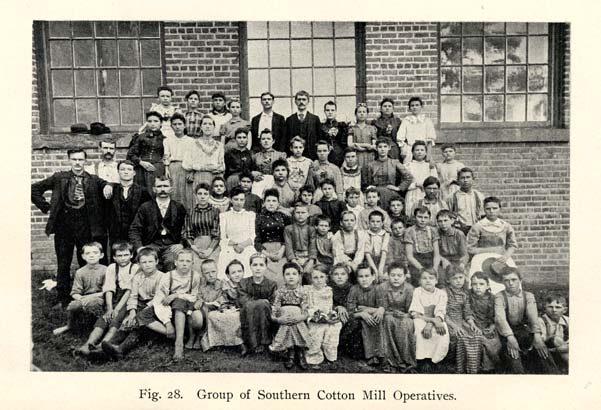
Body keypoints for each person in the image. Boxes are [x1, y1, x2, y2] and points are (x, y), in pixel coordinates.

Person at [31, 148, 112, 307]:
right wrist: (46, 207)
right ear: (69, 160)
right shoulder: (59, 177)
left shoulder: (93, 179)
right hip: (64, 225)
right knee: (63, 262)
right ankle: (63, 298)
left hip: (85, 226)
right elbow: (34, 188)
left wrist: (108, 185)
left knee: (86, 261)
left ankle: (86, 296)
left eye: (80, 160)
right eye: (74, 159)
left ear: (85, 161)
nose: (77, 163)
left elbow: (107, 185)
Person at [101, 248, 165, 360]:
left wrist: (136, 315)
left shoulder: (162, 277)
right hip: (140, 304)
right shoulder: (138, 276)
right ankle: (109, 346)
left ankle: (121, 349)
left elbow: (158, 299)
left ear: (157, 262)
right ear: (139, 264)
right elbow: (133, 296)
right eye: (144, 262)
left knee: (138, 324)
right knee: (128, 320)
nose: (147, 265)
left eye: (150, 262)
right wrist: (132, 312)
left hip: (156, 308)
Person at [75, 241, 138, 356]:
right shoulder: (112, 268)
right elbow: (109, 288)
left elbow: (129, 291)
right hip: (114, 297)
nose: (123, 258)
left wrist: (117, 309)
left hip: (127, 299)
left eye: (126, 255)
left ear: (131, 255)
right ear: (114, 257)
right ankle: (87, 345)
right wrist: (109, 308)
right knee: (104, 318)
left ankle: (101, 346)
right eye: (119, 256)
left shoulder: (135, 268)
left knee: (116, 319)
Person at [494, 268, 559, 374]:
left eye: (514, 280)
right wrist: (510, 337)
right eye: (506, 280)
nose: (510, 283)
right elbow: (500, 318)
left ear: (520, 280)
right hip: (505, 332)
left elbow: (532, 315)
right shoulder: (499, 296)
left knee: (541, 349)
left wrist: (537, 335)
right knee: (513, 355)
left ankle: (554, 375)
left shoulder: (528, 296)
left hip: (522, 330)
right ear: (502, 282)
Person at [152, 248, 203, 360]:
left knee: (194, 316)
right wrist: (167, 321)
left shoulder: (195, 276)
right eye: (181, 261)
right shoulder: (167, 277)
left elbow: (194, 297)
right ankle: (176, 338)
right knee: (144, 315)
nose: (184, 264)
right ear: (175, 262)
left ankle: (185, 340)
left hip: (187, 306)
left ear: (192, 263)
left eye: (188, 261)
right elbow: (160, 299)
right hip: (168, 308)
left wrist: (176, 295)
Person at [128, 176, 187, 272]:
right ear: (154, 189)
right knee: (148, 262)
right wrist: (140, 248)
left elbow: (186, 228)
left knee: (172, 262)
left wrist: (181, 244)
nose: (162, 189)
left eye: (165, 186)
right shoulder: (145, 207)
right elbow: (134, 229)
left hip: (171, 246)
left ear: (171, 189)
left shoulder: (179, 207)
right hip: (151, 244)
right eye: (159, 186)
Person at [52, 242, 107, 335]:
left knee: (95, 305)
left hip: (101, 298)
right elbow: (75, 292)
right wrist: (81, 298)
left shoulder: (106, 270)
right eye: (88, 253)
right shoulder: (80, 272)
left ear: (101, 255)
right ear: (83, 256)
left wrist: (89, 298)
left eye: (95, 253)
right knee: (73, 305)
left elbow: (107, 291)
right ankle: (69, 326)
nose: (91, 256)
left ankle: (98, 328)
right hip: (84, 299)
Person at [467, 197, 518, 287]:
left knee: (508, 281)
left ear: (499, 209)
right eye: (488, 209)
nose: (491, 211)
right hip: (481, 259)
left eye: (495, 208)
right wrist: (492, 250)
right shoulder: (478, 227)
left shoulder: (506, 226)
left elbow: (512, 245)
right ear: (484, 210)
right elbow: (470, 248)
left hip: (501, 259)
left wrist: (506, 256)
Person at [269, 262, 311, 370]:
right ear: (283, 277)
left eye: (294, 274)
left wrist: (299, 317)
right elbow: (275, 309)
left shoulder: (303, 292)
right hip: (284, 318)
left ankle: (298, 351)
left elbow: (306, 311)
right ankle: (292, 351)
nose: (291, 276)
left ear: (299, 276)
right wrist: (279, 319)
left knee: (295, 311)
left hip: (298, 319)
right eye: (287, 274)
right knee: (287, 311)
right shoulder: (280, 292)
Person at [444, 265, 483, 374]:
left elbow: (467, 311)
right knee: (459, 336)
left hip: (461, 321)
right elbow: (442, 313)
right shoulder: (444, 293)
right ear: (448, 280)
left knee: (475, 335)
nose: (458, 281)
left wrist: (472, 324)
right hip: (448, 321)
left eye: (460, 278)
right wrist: (454, 326)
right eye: (455, 278)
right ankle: (457, 365)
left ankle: (472, 366)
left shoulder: (464, 294)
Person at [200, 259, 245, 353]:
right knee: (215, 316)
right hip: (227, 308)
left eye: (239, 271)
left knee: (235, 318)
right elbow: (222, 298)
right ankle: (219, 342)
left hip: (241, 308)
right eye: (233, 272)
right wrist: (220, 304)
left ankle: (240, 343)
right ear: (228, 275)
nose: (237, 274)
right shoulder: (226, 284)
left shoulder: (247, 284)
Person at [182, 115, 225, 212]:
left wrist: (213, 168)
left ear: (214, 127)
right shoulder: (193, 144)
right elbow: (186, 163)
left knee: (214, 205)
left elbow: (222, 165)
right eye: (205, 124)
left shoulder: (219, 145)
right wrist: (202, 167)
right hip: (198, 177)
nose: (207, 126)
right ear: (201, 127)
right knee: (199, 203)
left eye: (210, 124)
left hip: (214, 177)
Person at [379, 262, 416, 373]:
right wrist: (390, 313)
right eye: (393, 275)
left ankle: (406, 360)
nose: (396, 278)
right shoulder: (383, 287)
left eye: (399, 276)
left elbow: (411, 308)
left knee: (406, 324)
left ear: (405, 277)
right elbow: (383, 307)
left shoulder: (409, 289)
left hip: (405, 315)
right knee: (388, 321)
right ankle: (391, 361)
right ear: (388, 276)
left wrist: (406, 315)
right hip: (389, 315)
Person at [409, 269, 449, 372]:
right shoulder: (417, 291)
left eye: (431, 278)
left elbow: (440, 311)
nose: (428, 281)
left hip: (436, 319)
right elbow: (415, 313)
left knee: (442, 330)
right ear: (419, 281)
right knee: (419, 327)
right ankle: (422, 360)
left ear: (436, 280)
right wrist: (431, 321)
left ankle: (435, 360)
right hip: (421, 318)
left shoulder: (441, 293)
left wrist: (432, 323)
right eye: (424, 278)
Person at [238, 253, 278, 354]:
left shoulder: (271, 284)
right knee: (254, 306)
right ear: (250, 266)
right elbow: (243, 300)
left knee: (263, 306)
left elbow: (273, 302)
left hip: (265, 313)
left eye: (261, 265)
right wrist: (261, 302)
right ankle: (252, 343)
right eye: (255, 265)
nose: (258, 268)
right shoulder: (243, 283)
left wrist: (263, 303)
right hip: (248, 311)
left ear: (265, 267)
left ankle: (264, 341)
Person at [347, 264, 386, 367]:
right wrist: (362, 313)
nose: (364, 279)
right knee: (360, 325)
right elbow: (350, 310)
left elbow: (382, 306)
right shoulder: (354, 290)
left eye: (367, 276)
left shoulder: (378, 289)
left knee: (378, 320)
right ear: (357, 278)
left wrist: (380, 309)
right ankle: (369, 355)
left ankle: (378, 354)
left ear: (373, 277)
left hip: (373, 318)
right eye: (361, 276)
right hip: (360, 318)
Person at [304, 266, 342, 370]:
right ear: (311, 279)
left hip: (327, 317)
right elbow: (308, 307)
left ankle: (331, 357)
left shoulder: (328, 290)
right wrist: (318, 316)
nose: (319, 280)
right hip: (314, 318)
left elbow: (329, 306)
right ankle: (314, 357)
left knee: (333, 329)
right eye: (315, 277)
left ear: (326, 278)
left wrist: (331, 315)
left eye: (321, 277)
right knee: (317, 331)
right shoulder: (309, 291)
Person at [362, 138, 413, 210]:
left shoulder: (395, 162)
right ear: (376, 148)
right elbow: (366, 183)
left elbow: (409, 177)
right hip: (375, 195)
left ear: (389, 148)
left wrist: (398, 188)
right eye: (380, 147)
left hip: (391, 193)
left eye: (385, 146)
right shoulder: (371, 165)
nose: (382, 149)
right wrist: (370, 187)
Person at [217, 187, 257, 279]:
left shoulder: (250, 215)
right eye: (236, 199)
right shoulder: (224, 216)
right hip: (230, 246)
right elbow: (223, 237)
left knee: (251, 259)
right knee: (225, 257)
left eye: (241, 200)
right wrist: (235, 245)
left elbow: (252, 236)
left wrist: (242, 245)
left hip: (247, 246)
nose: (239, 202)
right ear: (231, 200)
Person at [254, 188, 292, 286]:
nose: (271, 203)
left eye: (274, 201)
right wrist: (268, 255)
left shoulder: (285, 217)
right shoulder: (259, 218)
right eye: (268, 201)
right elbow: (257, 241)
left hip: (282, 251)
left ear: (278, 203)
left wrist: (281, 252)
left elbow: (288, 237)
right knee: (266, 276)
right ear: (264, 203)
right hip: (265, 252)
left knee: (285, 275)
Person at [182, 183, 221, 273]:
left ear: (209, 196)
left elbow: (217, 234)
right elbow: (187, 233)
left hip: (212, 245)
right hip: (195, 245)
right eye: (200, 194)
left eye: (205, 194)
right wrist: (196, 249)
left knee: (213, 268)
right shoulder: (190, 212)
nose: (202, 197)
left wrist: (209, 250)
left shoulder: (215, 211)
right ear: (195, 195)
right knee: (195, 269)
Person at [468, 271, 502, 373]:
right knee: (481, 341)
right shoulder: (468, 296)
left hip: (488, 325)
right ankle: (481, 367)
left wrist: (492, 325)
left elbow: (494, 315)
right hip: (472, 325)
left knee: (495, 342)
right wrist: (472, 324)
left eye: (481, 284)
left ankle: (491, 367)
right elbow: (466, 312)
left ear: (487, 286)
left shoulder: (492, 298)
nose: (478, 287)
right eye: (474, 284)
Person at [127, 111, 167, 193]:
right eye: (150, 121)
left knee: (156, 192)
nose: (152, 124)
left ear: (161, 123)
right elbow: (130, 155)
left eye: (156, 121)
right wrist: (141, 162)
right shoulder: (140, 137)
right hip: (141, 170)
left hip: (157, 169)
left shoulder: (165, 139)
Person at [329, 263, 362, 358]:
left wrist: (346, 309)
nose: (339, 277)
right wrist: (337, 307)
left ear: (347, 276)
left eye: (343, 274)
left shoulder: (352, 288)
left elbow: (353, 303)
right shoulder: (329, 288)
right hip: (334, 312)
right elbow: (326, 303)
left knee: (353, 322)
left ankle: (344, 347)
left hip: (349, 312)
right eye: (336, 274)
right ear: (331, 277)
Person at [404, 206, 441, 286]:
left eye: (425, 217)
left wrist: (435, 268)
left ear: (429, 218)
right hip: (416, 262)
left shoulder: (433, 230)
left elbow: (436, 254)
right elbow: (409, 256)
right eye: (420, 217)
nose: (422, 220)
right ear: (414, 218)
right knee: (418, 281)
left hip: (431, 260)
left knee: (439, 279)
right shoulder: (409, 231)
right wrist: (421, 269)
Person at [195, 259, 225, 351]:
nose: (211, 275)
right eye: (207, 273)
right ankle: (200, 337)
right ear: (203, 274)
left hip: (217, 308)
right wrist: (199, 300)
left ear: (217, 270)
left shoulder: (221, 284)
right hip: (204, 310)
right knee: (201, 311)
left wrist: (218, 302)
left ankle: (209, 339)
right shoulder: (201, 285)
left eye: (213, 271)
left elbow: (223, 297)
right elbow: (199, 296)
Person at [445, 167, 485, 236]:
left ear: (473, 179)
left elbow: (483, 215)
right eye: (462, 178)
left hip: (475, 230)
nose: (465, 180)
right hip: (458, 231)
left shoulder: (479, 196)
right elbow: (447, 216)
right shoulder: (451, 197)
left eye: (468, 177)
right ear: (458, 180)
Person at [284, 202, 318, 282]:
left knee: (312, 278)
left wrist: (311, 261)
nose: (300, 215)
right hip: (294, 258)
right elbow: (288, 246)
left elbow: (313, 246)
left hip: (308, 257)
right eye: (298, 212)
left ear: (308, 214)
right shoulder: (288, 229)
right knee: (294, 277)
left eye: (303, 213)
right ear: (294, 214)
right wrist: (294, 261)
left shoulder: (311, 229)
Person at [396, 97, 437, 163]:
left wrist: (428, 155)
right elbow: (400, 138)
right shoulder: (406, 121)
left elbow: (430, 140)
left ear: (421, 107)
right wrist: (403, 150)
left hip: (423, 150)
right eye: (412, 105)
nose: (415, 107)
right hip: (410, 150)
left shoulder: (427, 121)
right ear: (409, 108)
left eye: (417, 105)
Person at [163, 113, 192, 204]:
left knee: (187, 193)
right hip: (173, 167)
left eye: (180, 124)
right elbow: (166, 155)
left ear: (184, 125)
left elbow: (193, 157)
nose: (177, 127)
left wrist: (191, 172)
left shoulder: (191, 141)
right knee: (174, 192)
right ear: (171, 126)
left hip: (186, 167)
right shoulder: (167, 140)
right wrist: (166, 169)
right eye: (174, 124)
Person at [404, 141, 439, 217]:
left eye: (422, 150)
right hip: (413, 193)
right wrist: (416, 184)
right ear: (412, 152)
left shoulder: (429, 166)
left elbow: (435, 181)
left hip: (427, 193)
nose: (419, 152)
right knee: (413, 213)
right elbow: (404, 183)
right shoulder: (407, 166)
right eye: (417, 150)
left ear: (426, 153)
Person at [285, 90, 321, 159]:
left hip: (311, 156)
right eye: (299, 99)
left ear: (308, 101)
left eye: (304, 99)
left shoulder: (315, 119)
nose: (301, 102)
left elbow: (319, 139)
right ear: (295, 102)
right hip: (294, 156)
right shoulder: (289, 119)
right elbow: (286, 140)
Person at [251, 129, 287, 198]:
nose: (266, 141)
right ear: (260, 141)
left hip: (275, 182)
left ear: (273, 141)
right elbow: (251, 169)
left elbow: (285, 171)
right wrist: (252, 173)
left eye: (268, 139)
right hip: (259, 182)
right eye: (263, 139)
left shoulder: (280, 155)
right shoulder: (256, 156)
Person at [538, 293, 569, 372]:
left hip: (560, 349)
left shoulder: (567, 320)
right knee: (556, 339)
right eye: (550, 307)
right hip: (545, 352)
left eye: (558, 307)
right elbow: (542, 340)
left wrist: (557, 349)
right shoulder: (541, 320)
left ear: (564, 310)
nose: (554, 310)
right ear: (545, 308)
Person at [332, 211, 367, 276]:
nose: (349, 223)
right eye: (346, 220)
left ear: (355, 222)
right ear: (341, 223)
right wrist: (350, 264)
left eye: (352, 220)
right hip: (342, 260)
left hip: (357, 260)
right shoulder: (337, 235)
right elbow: (339, 254)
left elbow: (360, 252)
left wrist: (355, 264)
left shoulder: (360, 234)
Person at [436, 209, 468, 278]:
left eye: (445, 220)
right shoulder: (435, 234)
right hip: (442, 262)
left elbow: (464, 254)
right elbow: (434, 252)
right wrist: (442, 259)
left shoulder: (458, 234)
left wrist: (462, 265)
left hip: (457, 262)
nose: (443, 224)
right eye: (440, 221)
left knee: (462, 278)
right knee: (441, 278)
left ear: (452, 221)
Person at [224, 127, 255, 191]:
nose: (242, 140)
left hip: (246, 181)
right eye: (239, 137)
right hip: (233, 180)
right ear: (235, 139)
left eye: (244, 137)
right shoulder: (229, 153)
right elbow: (226, 170)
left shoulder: (251, 153)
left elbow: (252, 168)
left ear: (247, 139)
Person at [348, 102, 377, 170]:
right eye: (359, 112)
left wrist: (360, 146)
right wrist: (366, 145)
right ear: (355, 114)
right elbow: (349, 144)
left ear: (367, 114)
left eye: (364, 112)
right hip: (356, 155)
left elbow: (374, 145)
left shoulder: (371, 128)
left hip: (369, 156)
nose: (361, 114)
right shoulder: (352, 129)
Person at [364, 210, 390, 283]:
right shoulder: (366, 234)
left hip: (383, 261)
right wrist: (375, 270)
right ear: (369, 223)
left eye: (378, 222)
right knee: (371, 278)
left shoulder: (386, 234)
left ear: (382, 223)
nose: (375, 224)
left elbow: (384, 252)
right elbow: (367, 253)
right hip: (369, 261)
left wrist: (380, 270)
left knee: (383, 278)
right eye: (373, 221)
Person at [320, 100, 348, 166]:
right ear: (324, 112)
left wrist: (338, 134)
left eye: (332, 110)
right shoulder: (321, 126)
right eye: (327, 110)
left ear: (336, 112)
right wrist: (327, 135)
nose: (330, 112)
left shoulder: (342, 126)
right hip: (325, 158)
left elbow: (345, 144)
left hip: (340, 158)